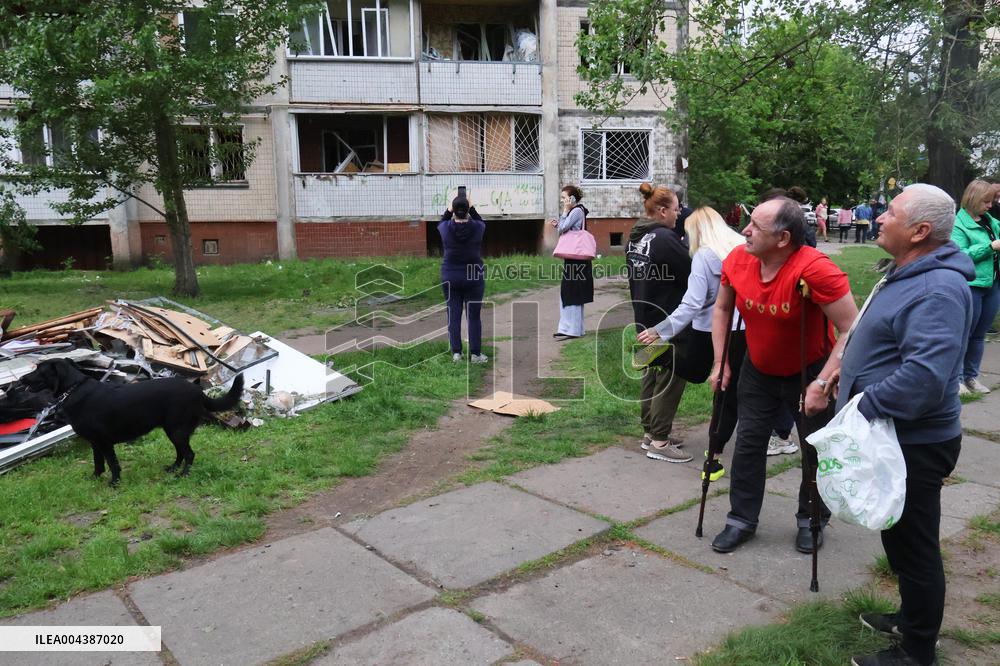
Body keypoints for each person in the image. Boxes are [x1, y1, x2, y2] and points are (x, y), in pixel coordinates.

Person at [839, 184, 974, 666]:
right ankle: (910, 616)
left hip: (915, 440)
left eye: (889, 213)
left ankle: (917, 652)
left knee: (915, 548)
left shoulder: (938, 288)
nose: (878, 218)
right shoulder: (909, 272)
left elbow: (924, 377)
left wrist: (862, 406)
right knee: (898, 536)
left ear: (919, 231)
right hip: (895, 437)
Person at [708, 196, 858, 554]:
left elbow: (852, 327)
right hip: (758, 368)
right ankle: (741, 519)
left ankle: (812, 519)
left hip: (809, 371)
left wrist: (824, 381)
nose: (744, 230)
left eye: (755, 226)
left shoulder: (815, 269)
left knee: (814, 449)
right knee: (748, 444)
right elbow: (723, 308)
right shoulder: (738, 260)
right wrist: (720, 361)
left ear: (782, 239)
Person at [636, 207, 744, 474]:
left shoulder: (704, 256)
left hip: (707, 328)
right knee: (732, 386)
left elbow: (692, 302)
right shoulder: (741, 248)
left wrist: (662, 329)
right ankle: (721, 443)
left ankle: (657, 436)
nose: (685, 240)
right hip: (740, 328)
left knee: (685, 368)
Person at [627, 182, 692, 461]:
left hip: (644, 317)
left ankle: (650, 433)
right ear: (663, 210)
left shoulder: (635, 237)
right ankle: (661, 442)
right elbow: (691, 274)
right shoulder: (665, 239)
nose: (679, 215)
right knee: (670, 377)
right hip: (665, 322)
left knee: (652, 376)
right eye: (676, 210)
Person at [950, 178, 1000, 395]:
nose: (991, 205)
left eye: (993, 200)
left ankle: (972, 377)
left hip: (993, 285)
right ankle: (957, 379)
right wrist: (990, 247)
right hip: (972, 285)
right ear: (974, 198)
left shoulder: (991, 222)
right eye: (987, 201)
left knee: (979, 335)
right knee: (964, 334)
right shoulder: (958, 224)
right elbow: (960, 255)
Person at [438, 191, 487, 363]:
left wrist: (450, 208)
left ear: (453, 210)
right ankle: (475, 354)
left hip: (450, 276)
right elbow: (480, 220)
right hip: (474, 277)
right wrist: (471, 206)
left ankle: (456, 353)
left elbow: (442, 220)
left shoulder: (445, 229)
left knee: (453, 314)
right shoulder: (478, 228)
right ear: (468, 210)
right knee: (474, 316)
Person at [549, 185, 594, 340]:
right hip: (576, 258)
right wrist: (560, 223)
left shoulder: (575, 211)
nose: (563, 201)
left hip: (576, 259)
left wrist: (564, 212)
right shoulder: (578, 211)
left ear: (572, 199)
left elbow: (563, 228)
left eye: (564, 198)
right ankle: (573, 328)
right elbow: (563, 227)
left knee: (571, 293)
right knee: (572, 292)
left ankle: (571, 329)